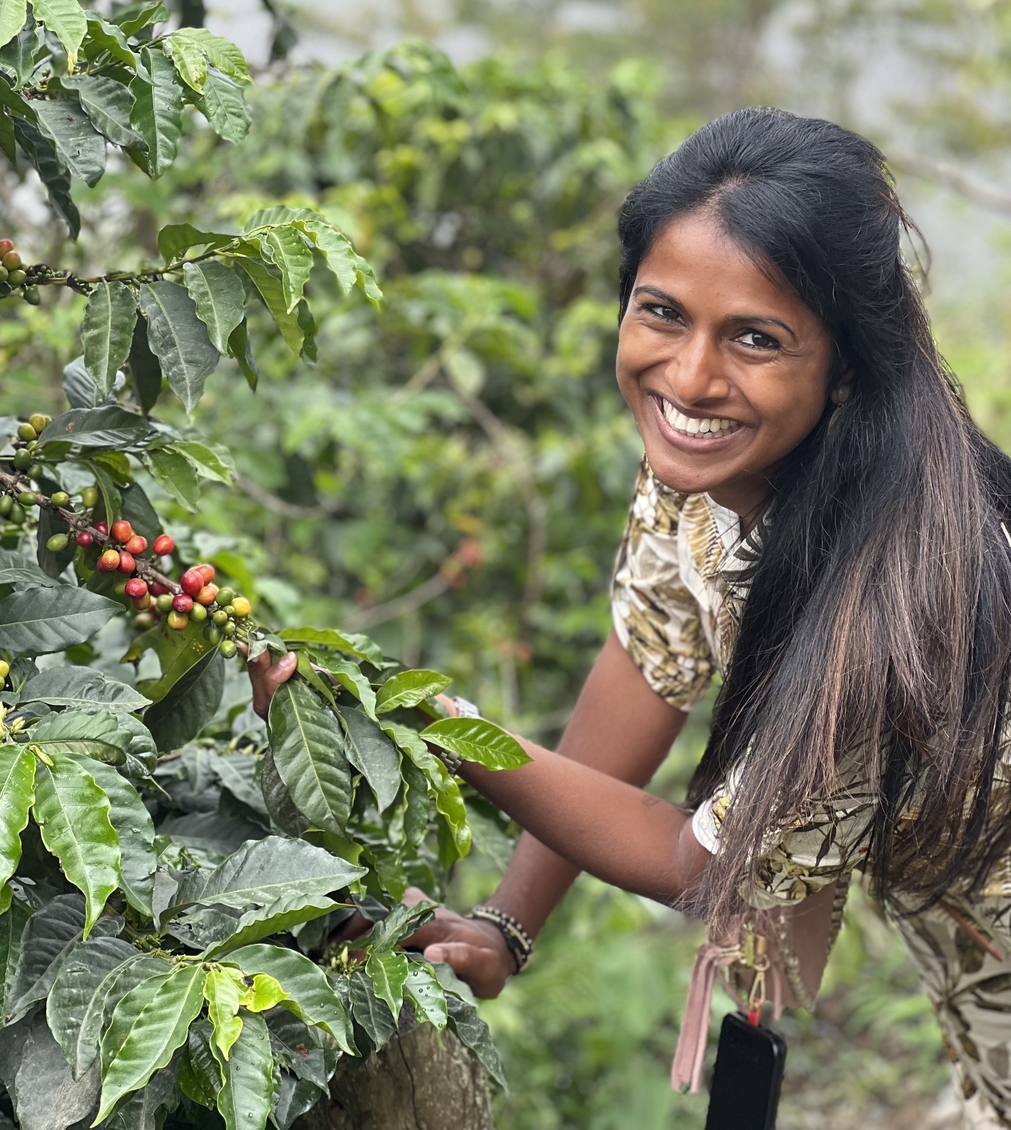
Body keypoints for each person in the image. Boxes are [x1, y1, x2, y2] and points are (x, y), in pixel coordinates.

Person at [247, 108, 1011, 1127]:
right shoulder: (711, 473)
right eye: (662, 313)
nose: (691, 379)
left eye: (756, 338)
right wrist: (507, 927)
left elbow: (701, 864)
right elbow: (649, 660)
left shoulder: (904, 605)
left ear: (843, 370)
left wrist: (426, 718)